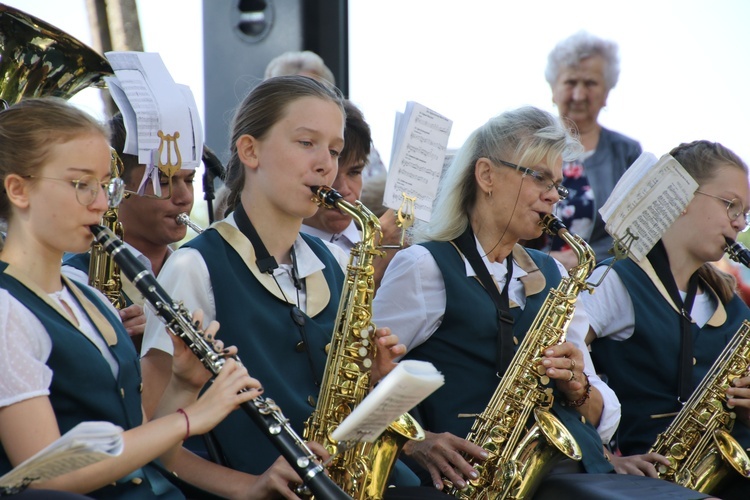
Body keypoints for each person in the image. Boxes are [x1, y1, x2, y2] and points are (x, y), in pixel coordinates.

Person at [372, 106, 711, 499]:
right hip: (476, 481)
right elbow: (365, 382)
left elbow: (603, 413)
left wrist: (577, 386)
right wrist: (418, 441)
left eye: (557, 184)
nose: (553, 195)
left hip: (565, 470)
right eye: (539, 178)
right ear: (486, 175)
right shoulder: (424, 265)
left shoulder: (556, 275)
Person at [140, 76, 421, 496]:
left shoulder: (335, 261)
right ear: (250, 150)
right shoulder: (194, 267)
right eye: (306, 143)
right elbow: (154, 438)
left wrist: (376, 381)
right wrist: (250, 487)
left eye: (335, 150)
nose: (327, 165)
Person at [0, 97, 261, 498]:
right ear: (18, 189)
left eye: (105, 186)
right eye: (81, 185)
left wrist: (185, 383)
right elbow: (46, 477)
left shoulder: (90, 300)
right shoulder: (6, 310)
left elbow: (137, 440)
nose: (102, 203)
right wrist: (190, 419)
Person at [582, 140, 750, 499]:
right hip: (651, 482)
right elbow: (560, 363)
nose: (739, 222)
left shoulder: (733, 306)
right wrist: (603, 456)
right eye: (730, 205)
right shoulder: (615, 280)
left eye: (745, 212)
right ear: (683, 195)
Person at [63, 113, 197, 351]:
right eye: (164, 183)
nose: (185, 198)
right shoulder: (73, 280)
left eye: (190, 180)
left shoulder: (198, 269)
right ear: (118, 188)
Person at [544, 31, 642, 268]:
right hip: (532, 277)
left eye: (590, 83)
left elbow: (637, 232)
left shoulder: (626, 153)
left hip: (602, 280)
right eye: (570, 82)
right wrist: (544, 261)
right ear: (553, 90)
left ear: (606, 93)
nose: (578, 94)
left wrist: (584, 260)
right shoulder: (527, 146)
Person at [300, 99, 402, 288]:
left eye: (355, 172)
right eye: (331, 173)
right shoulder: (285, 252)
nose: (344, 189)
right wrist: (375, 268)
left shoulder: (389, 244)